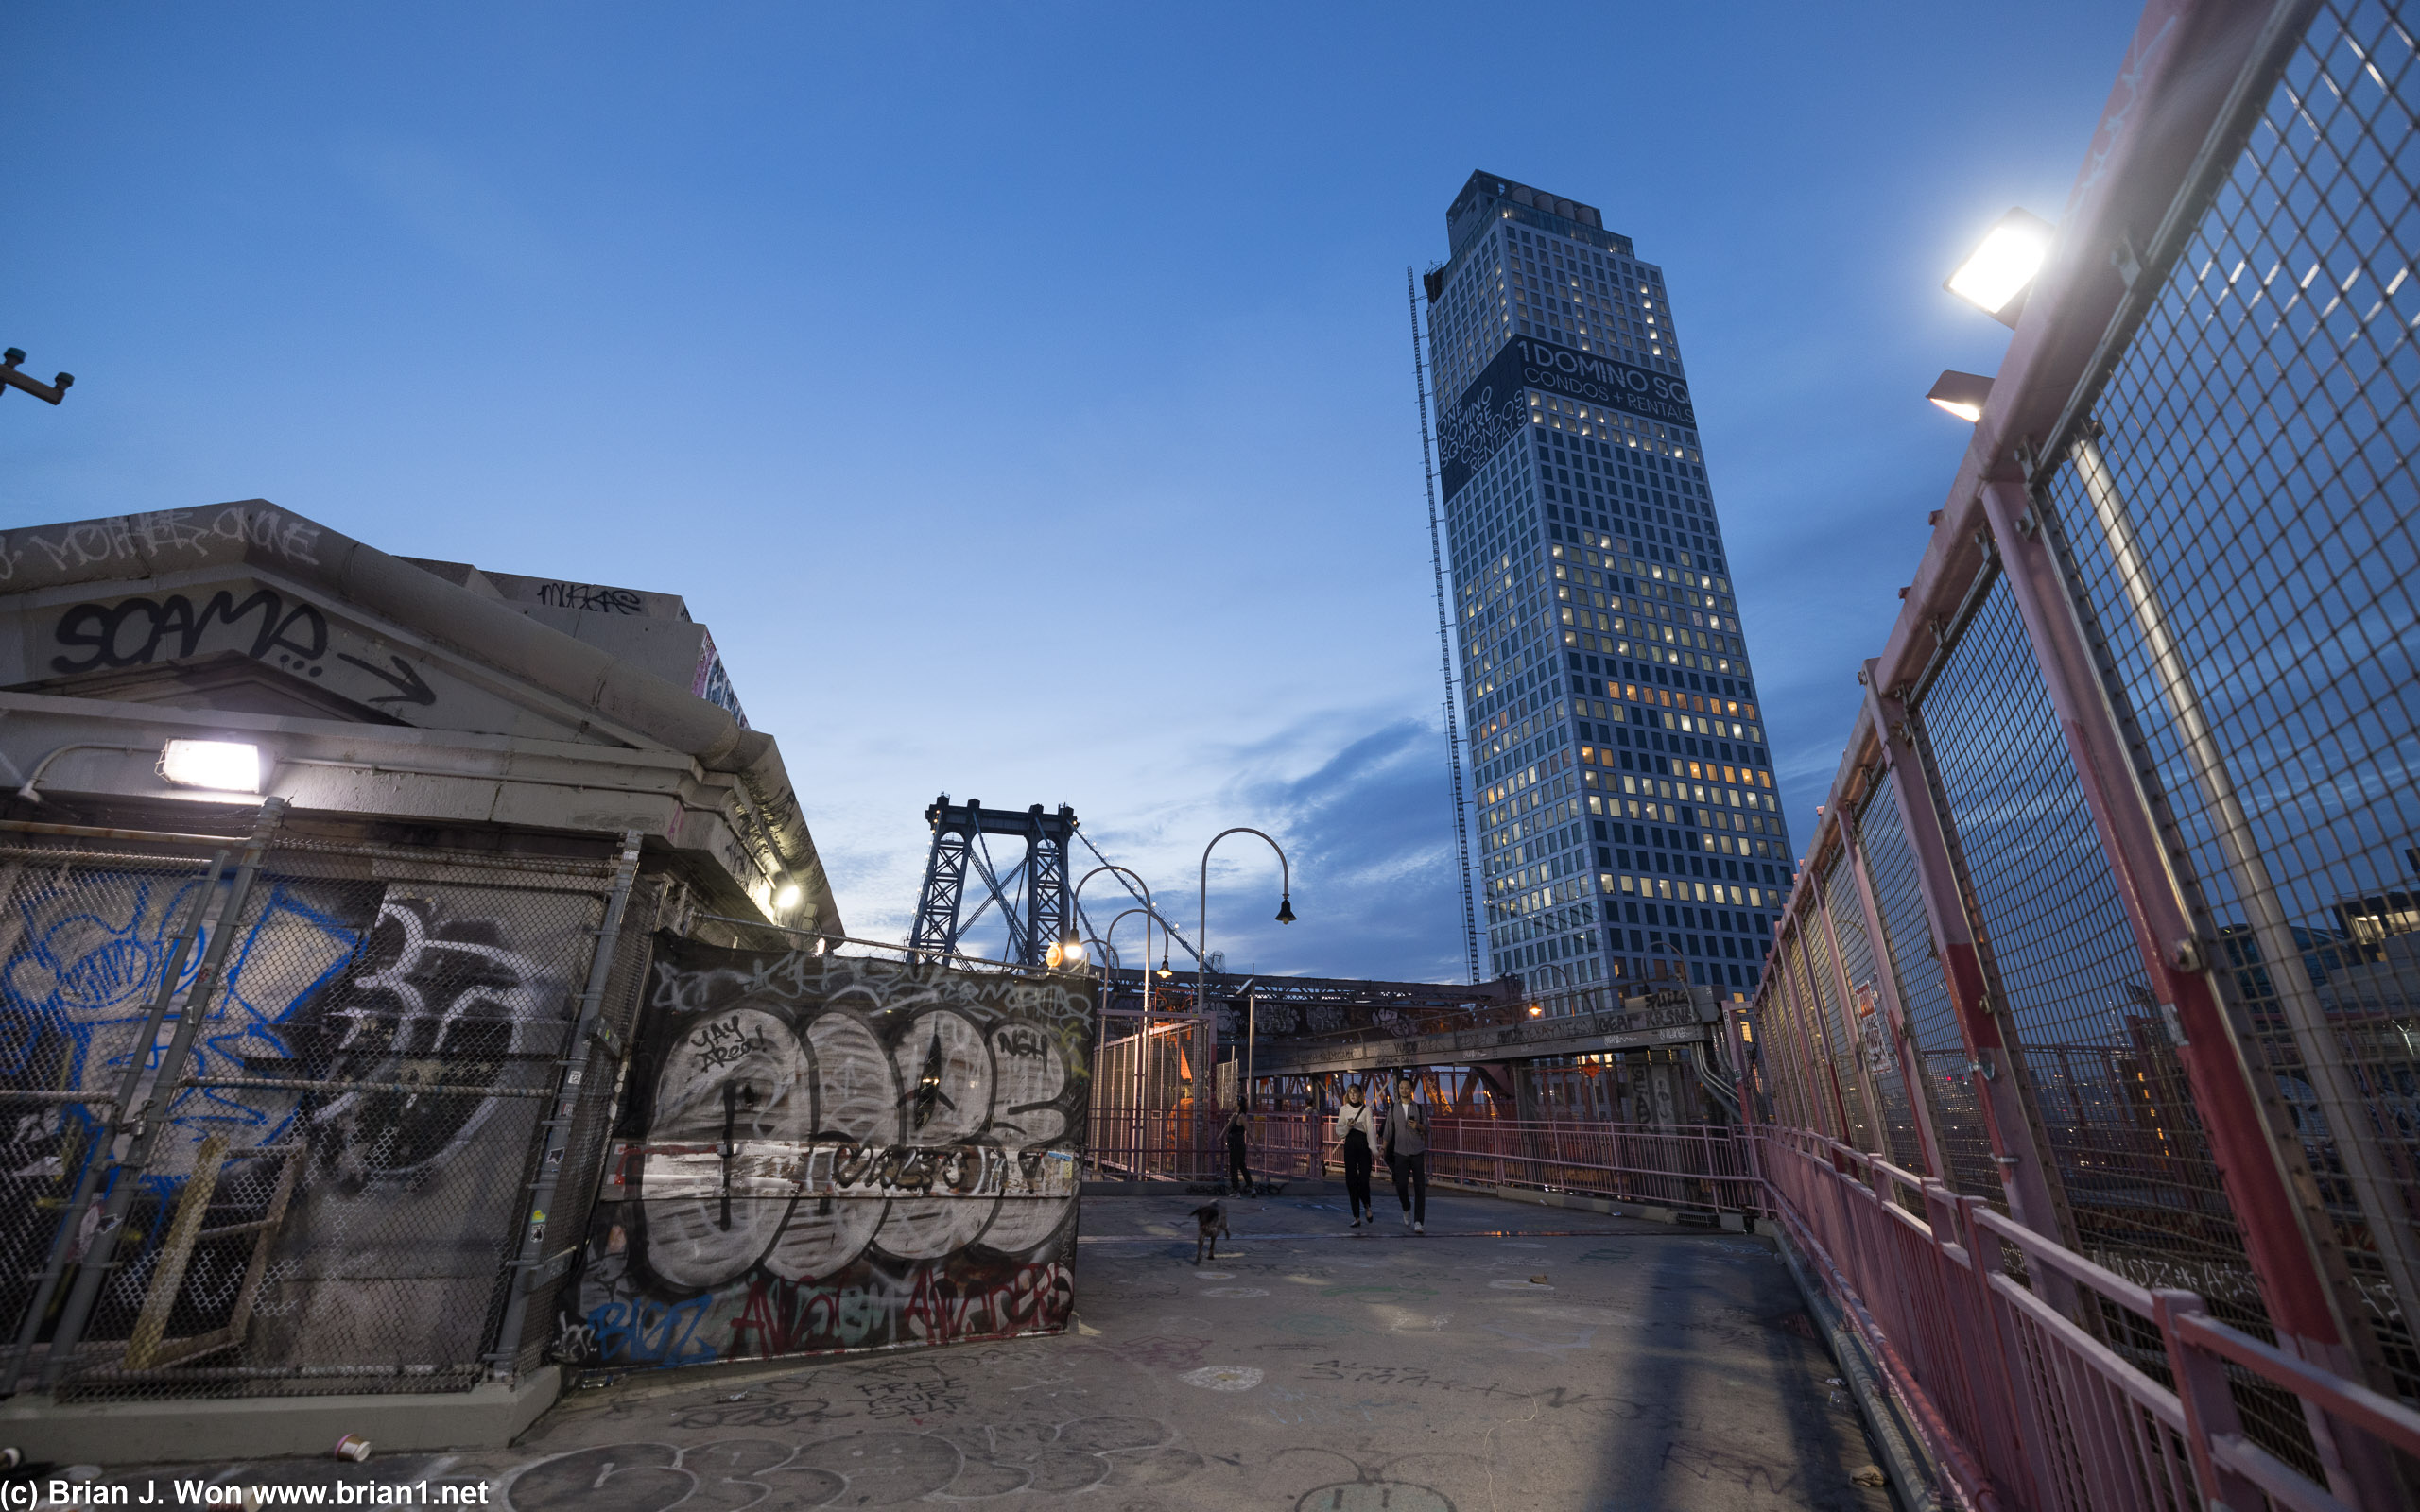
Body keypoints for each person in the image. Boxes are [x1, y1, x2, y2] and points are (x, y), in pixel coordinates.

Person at [1383, 1075, 1429, 1233]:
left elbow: (1427, 1129)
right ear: (1399, 1089)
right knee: (1401, 1186)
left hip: (1417, 1151)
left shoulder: (1419, 1108)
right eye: (1401, 1087)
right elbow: (1388, 1131)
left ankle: (1418, 1221)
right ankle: (1406, 1207)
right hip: (1400, 1152)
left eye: (1407, 1087)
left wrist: (1418, 1126)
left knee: (1419, 1188)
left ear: (1411, 1090)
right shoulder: (1393, 1108)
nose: (1404, 1090)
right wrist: (1383, 1149)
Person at [1335, 1080, 1376, 1228]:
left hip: (1363, 1145)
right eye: (1350, 1093)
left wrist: (1374, 1149)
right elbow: (1339, 1131)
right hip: (1350, 1145)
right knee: (1351, 1181)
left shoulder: (1366, 1110)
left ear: (1360, 1095)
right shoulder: (1343, 1110)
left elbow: (1370, 1130)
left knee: (1364, 1180)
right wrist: (1348, 1126)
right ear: (1348, 1095)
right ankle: (1356, 1217)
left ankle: (1367, 1206)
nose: (1353, 1095)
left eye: (1355, 1093)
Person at [1225, 1108, 1251, 1194]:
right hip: (1239, 1144)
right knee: (1242, 1166)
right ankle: (1251, 1186)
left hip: (1235, 1144)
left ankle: (1236, 1190)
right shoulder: (1236, 1116)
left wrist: (1221, 1136)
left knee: (1233, 1168)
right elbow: (1227, 1127)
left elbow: (1227, 1127)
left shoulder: (1239, 1117)